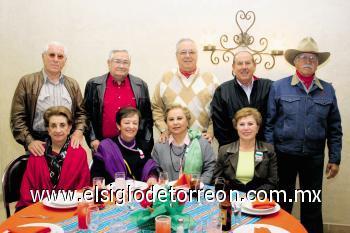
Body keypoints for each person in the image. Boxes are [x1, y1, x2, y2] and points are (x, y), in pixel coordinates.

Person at [264, 37, 342, 233]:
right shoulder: (279, 87)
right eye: (303, 57)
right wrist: (271, 155)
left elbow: (334, 127)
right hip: (283, 155)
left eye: (313, 58)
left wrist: (335, 158)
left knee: (312, 205)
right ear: (295, 62)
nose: (308, 61)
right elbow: (269, 124)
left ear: (317, 63)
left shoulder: (328, 90)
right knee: (282, 203)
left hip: (313, 157)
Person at [10, 41, 87, 156]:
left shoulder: (72, 84)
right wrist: (29, 141)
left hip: (67, 145)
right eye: (51, 55)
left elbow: (82, 114)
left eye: (60, 56)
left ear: (65, 61)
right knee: (37, 174)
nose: (56, 59)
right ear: (43, 57)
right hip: (38, 145)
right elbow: (17, 118)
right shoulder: (27, 82)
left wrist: (78, 131)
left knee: (69, 174)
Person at [16, 106, 90, 210]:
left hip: (71, 208)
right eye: (53, 126)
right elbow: (27, 189)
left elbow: (83, 188)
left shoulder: (80, 153)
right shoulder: (37, 152)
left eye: (62, 125)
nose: (58, 130)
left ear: (69, 128)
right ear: (48, 129)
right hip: (40, 208)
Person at [84, 49, 153, 155]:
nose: (121, 66)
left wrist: (145, 145)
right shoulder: (94, 85)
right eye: (117, 61)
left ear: (129, 64)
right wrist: (92, 139)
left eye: (125, 62)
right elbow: (86, 115)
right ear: (109, 63)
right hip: (103, 147)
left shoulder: (141, 86)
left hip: (133, 148)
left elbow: (147, 118)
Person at [152, 38, 219, 143]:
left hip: (201, 141)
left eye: (191, 52)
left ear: (197, 55)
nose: (188, 55)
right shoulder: (166, 78)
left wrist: (211, 131)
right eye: (183, 52)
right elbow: (156, 108)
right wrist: (164, 129)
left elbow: (218, 111)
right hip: (172, 142)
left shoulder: (210, 79)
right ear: (176, 56)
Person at [211, 50, 272, 147]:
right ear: (233, 67)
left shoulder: (269, 87)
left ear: (254, 66)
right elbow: (219, 126)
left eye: (247, 63)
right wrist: (234, 150)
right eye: (240, 63)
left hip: (264, 150)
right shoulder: (222, 91)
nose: (244, 67)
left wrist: (266, 146)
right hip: (231, 152)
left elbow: (273, 120)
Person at [213, 107, 277, 192]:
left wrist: (254, 196)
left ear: (257, 128)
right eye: (242, 124)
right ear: (236, 127)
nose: (246, 128)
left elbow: (273, 181)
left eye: (250, 124)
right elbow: (217, 178)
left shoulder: (268, 150)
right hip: (232, 198)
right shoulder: (224, 150)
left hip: (258, 199)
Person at [90, 107, 159, 185]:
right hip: (113, 193)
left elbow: (151, 168)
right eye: (127, 123)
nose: (131, 126)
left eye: (135, 123)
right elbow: (96, 172)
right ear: (118, 125)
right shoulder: (106, 146)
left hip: (140, 193)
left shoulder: (143, 146)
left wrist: (152, 177)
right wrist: (98, 182)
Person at [152, 104, 216, 184]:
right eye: (171, 119)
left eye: (179, 118)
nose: (175, 123)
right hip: (168, 193)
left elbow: (210, 168)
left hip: (195, 191)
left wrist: (197, 184)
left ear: (187, 121)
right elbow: (154, 170)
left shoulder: (202, 142)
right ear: (166, 123)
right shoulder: (160, 146)